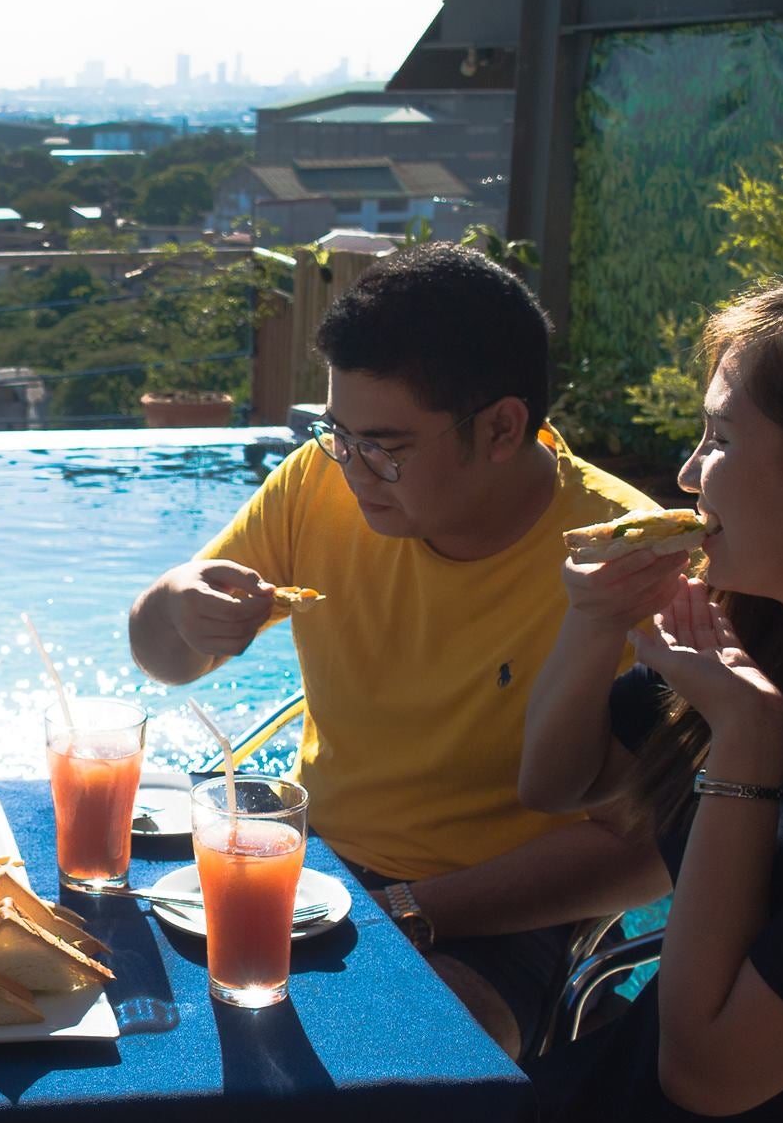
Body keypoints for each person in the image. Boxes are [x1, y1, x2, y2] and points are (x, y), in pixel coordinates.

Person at [130, 243, 670, 1057]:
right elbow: (160, 659)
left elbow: (647, 854)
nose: (353, 471)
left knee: (400, 1064)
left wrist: (416, 908)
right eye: (335, 434)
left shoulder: (627, 565)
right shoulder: (318, 483)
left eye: (384, 447)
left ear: (501, 427)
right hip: (313, 869)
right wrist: (175, 604)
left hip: (493, 915)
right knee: (132, 1009)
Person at [520, 274, 783, 1123]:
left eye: (719, 439)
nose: (685, 475)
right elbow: (557, 782)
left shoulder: (757, 702)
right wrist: (592, 621)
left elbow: (709, 1069)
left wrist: (748, 741)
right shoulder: (763, 645)